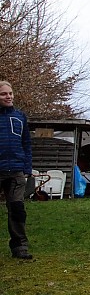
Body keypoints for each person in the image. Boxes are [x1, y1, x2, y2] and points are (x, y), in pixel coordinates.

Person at [0, 81, 33, 260]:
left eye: (10, 93)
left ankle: (19, 247)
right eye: (4, 94)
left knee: (17, 209)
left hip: (16, 172)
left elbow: (26, 144)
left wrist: (26, 168)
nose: (9, 96)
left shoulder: (20, 117)